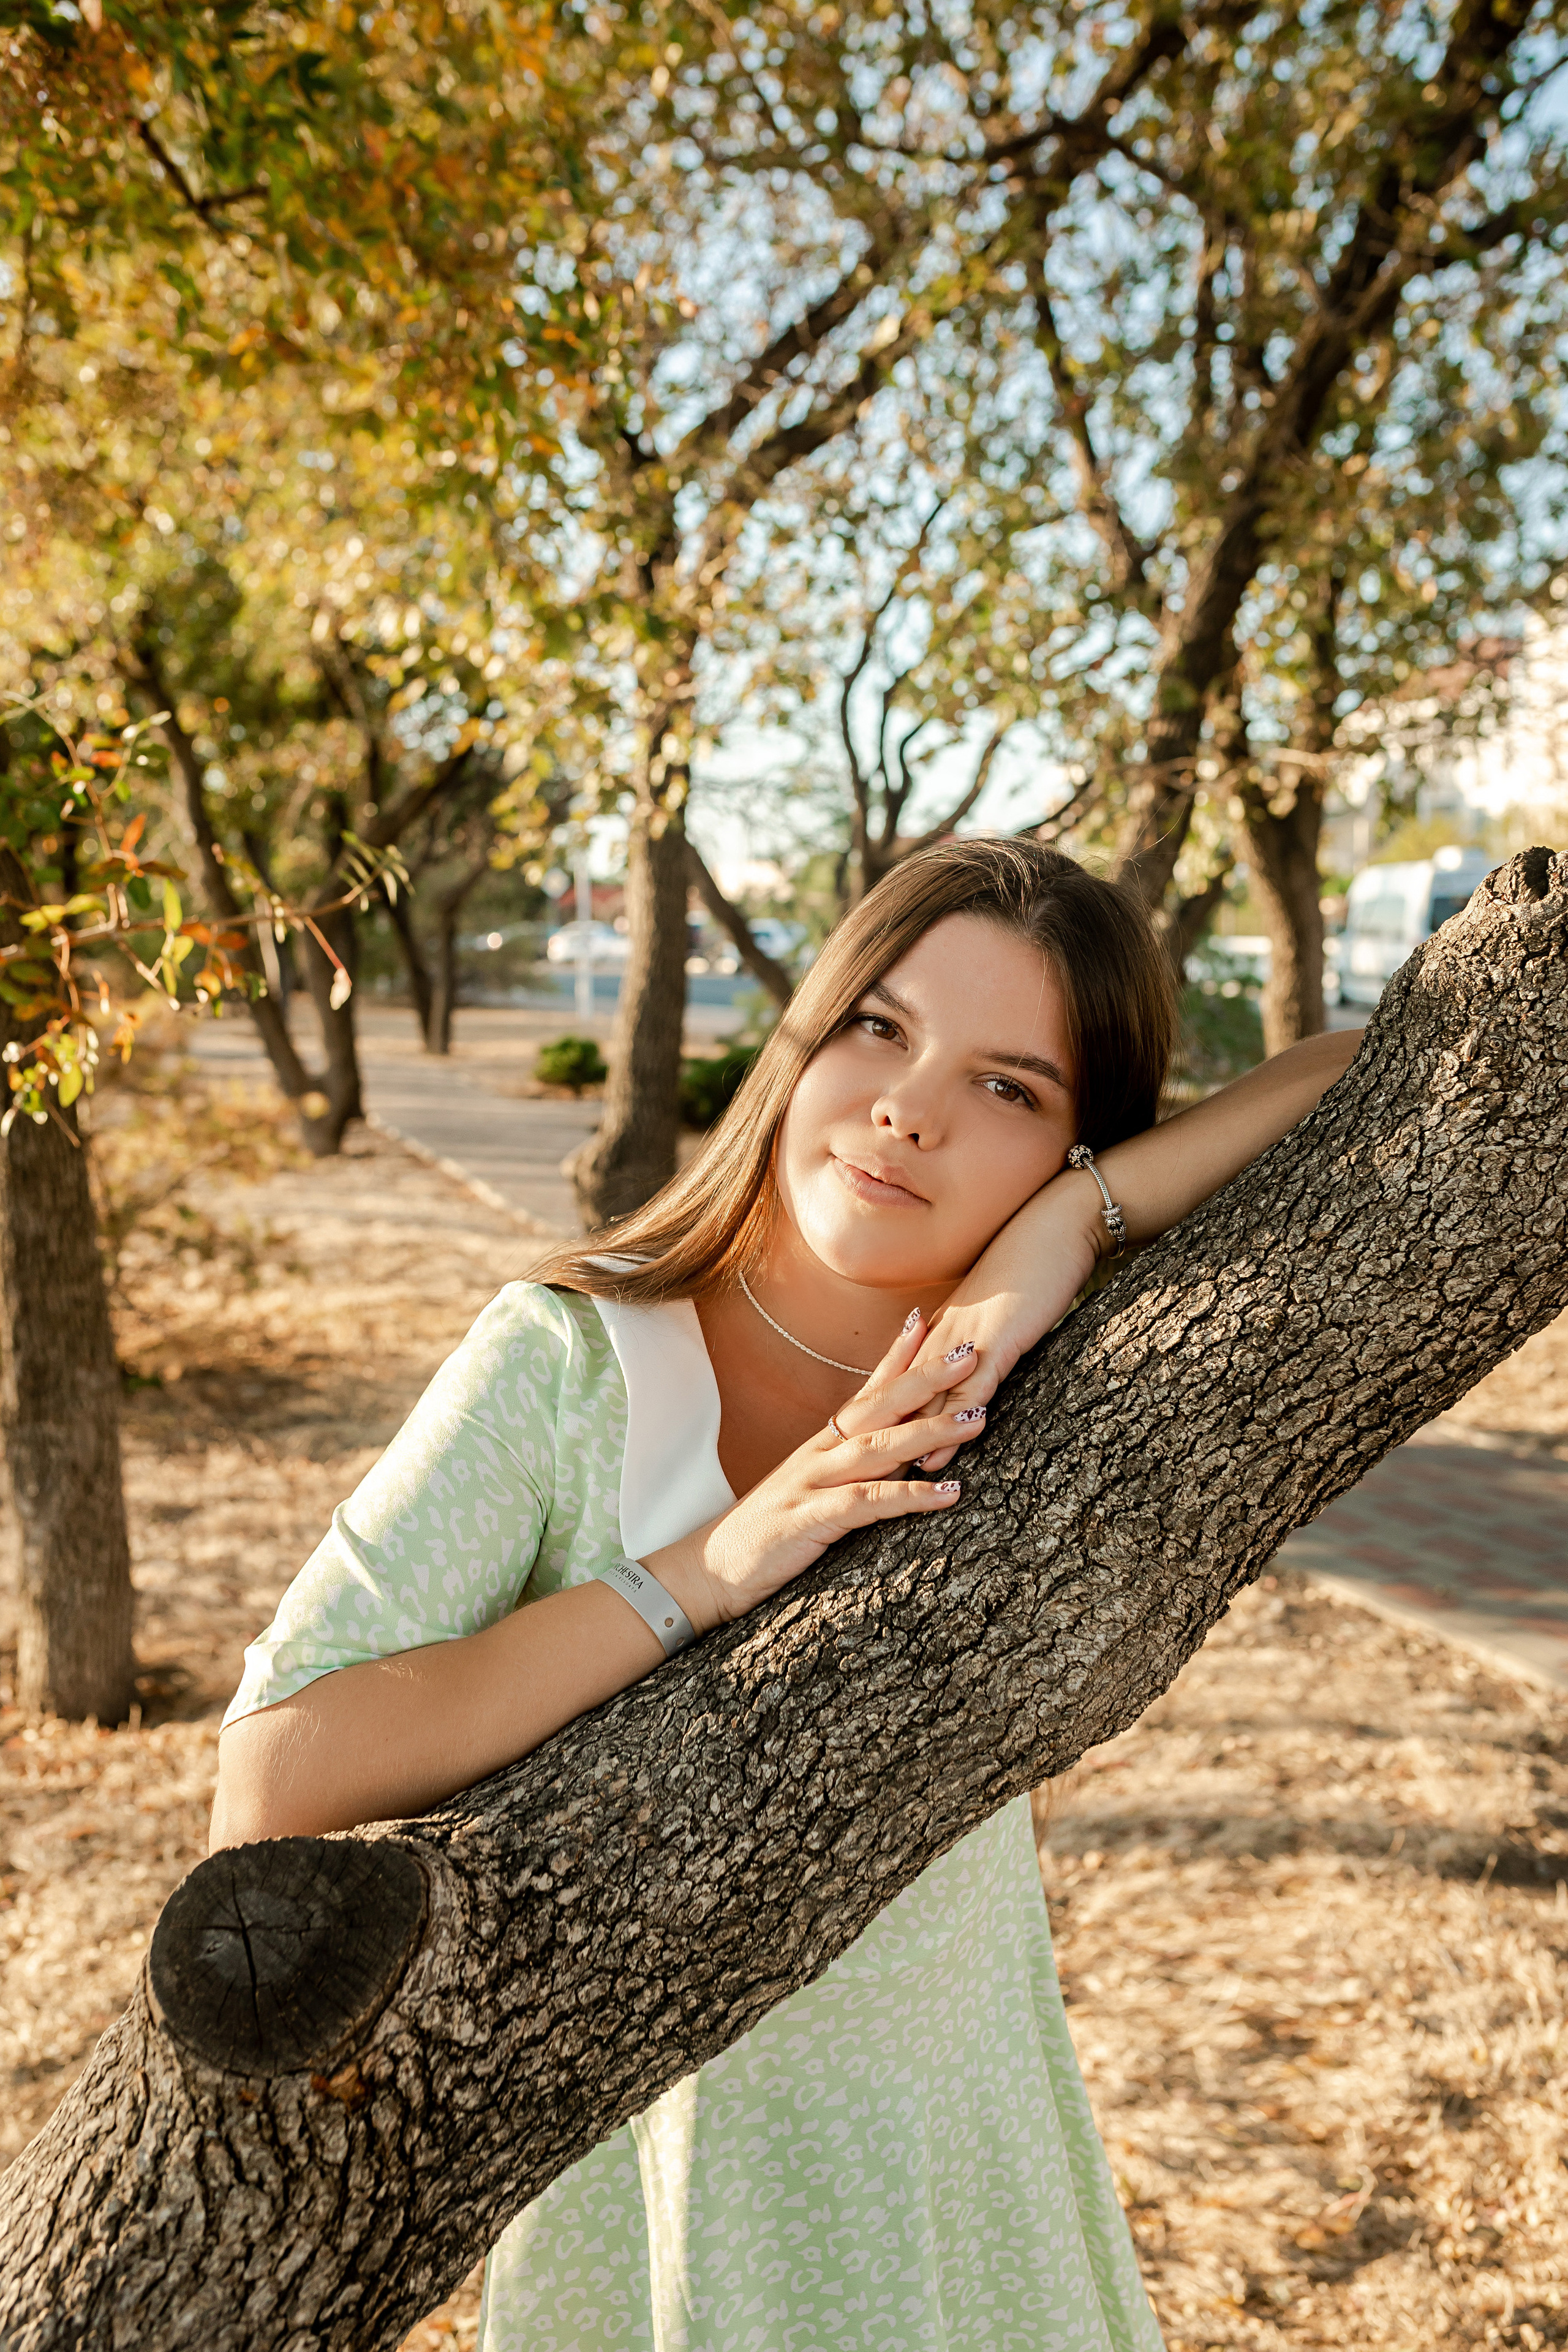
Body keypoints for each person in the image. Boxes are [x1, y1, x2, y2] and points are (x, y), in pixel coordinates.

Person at [214, 839, 1359, 2352]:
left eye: (1008, 1088)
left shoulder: (1053, 1384)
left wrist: (1064, 1232)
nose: (908, 1107)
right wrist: (709, 1566)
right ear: (802, 1032)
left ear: (1081, 1141)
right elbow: (273, 1776)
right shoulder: (570, 1359)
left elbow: (1355, 1060)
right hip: (662, 2211)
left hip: (964, 2190)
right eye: (876, 1028)